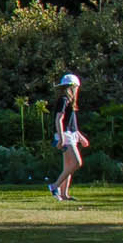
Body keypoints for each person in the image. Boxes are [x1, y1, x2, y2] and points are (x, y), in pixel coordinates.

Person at [49, 70, 88, 200]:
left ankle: (65, 194)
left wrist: (80, 137)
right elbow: (58, 119)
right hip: (65, 135)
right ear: (73, 87)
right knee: (76, 163)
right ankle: (54, 186)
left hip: (70, 134)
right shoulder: (63, 100)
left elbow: (71, 123)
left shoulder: (69, 102)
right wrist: (61, 138)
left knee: (68, 166)